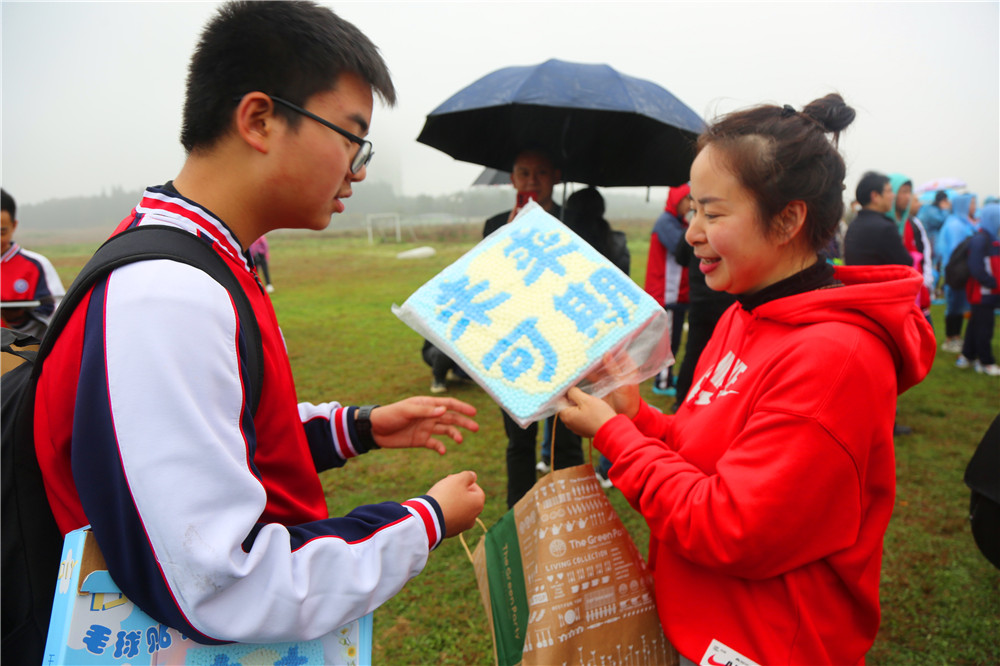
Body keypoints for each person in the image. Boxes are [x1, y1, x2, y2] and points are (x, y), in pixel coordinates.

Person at [32, 1, 484, 646]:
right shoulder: (169, 293)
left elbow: (223, 432)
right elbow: (225, 586)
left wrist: (354, 428)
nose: (358, 169)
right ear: (260, 119)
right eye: (352, 138)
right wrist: (425, 520)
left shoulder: (205, 258)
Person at [557, 94, 936, 666]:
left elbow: (730, 525)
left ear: (787, 220)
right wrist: (639, 417)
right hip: (699, 620)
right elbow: (706, 453)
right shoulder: (745, 312)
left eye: (713, 213)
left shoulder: (835, 360)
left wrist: (615, 436)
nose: (692, 234)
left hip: (764, 643)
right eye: (692, 212)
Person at [481, 149, 584, 507]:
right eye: (523, 173)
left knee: (567, 436)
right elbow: (486, 284)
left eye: (540, 173)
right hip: (514, 345)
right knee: (519, 440)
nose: (531, 181)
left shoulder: (573, 223)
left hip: (565, 345)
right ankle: (519, 516)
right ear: (511, 178)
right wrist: (507, 239)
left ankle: (571, 516)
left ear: (556, 176)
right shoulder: (496, 225)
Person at [643, 184, 691, 397]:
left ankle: (667, 377)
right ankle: (662, 383)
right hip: (666, 294)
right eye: (688, 200)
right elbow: (681, 248)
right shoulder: (666, 223)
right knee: (668, 341)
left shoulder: (678, 222)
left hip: (676, 295)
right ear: (676, 200)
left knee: (674, 339)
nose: (690, 205)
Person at [1, 188, 66, 338]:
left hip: (22, 357)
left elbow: (58, 317)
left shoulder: (36, 265)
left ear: (14, 225)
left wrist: (21, 320)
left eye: (1, 232)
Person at [956, 202, 1000, 375]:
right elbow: (976, 268)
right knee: (985, 327)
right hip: (982, 293)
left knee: (975, 324)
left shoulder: (990, 239)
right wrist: (993, 283)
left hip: (987, 292)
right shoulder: (980, 240)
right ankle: (985, 362)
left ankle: (967, 355)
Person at [890, 173, 934, 325]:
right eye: (903, 191)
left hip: (917, 289)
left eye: (909, 192)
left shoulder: (913, 224)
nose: (907, 197)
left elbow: (925, 252)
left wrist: (926, 280)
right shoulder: (884, 226)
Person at [937, 192, 978, 353]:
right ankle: (949, 339)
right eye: (971, 203)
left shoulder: (964, 223)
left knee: (960, 304)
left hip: (961, 271)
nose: (974, 206)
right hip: (955, 272)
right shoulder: (955, 225)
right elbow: (955, 252)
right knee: (954, 304)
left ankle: (956, 337)